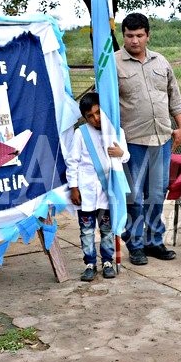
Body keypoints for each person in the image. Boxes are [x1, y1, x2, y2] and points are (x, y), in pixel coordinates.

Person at [116, 12, 181, 265]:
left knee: (157, 194)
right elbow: (106, 105)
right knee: (134, 196)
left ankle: (154, 241)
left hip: (162, 139)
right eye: (129, 36)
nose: (134, 41)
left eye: (139, 35)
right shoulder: (113, 64)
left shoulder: (161, 61)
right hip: (132, 142)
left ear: (148, 35)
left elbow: (174, 96)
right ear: (123, 36)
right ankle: (135, 244)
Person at [66, 92, 130, 281]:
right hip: (85, 192)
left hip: (107, 192)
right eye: (90, 116)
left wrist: (120, 152)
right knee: (86, 231)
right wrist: (74, 187)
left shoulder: (116, 131)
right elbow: (72, 161)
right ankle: (90, 264)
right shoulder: (81, 133)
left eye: (98, 113)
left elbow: (126, 157)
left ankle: (107, 262)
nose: (95, 118)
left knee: (107, 230)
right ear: (85, 118)